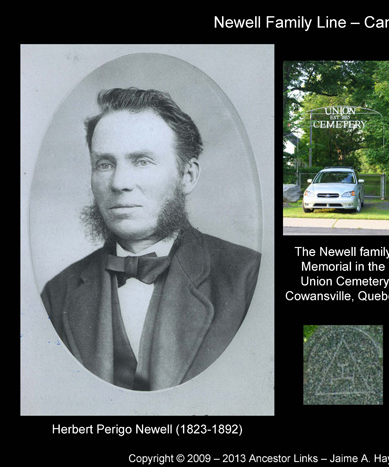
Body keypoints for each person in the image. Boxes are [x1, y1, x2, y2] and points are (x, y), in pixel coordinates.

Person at [41, 88, 261, 391]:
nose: (120, 183)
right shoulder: (57, 293)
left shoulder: (250, 278)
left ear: (188, 175)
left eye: (142, 161)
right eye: (105, 164)